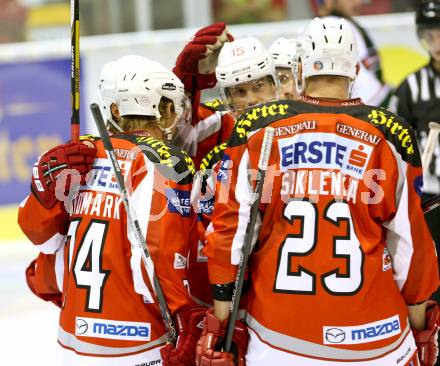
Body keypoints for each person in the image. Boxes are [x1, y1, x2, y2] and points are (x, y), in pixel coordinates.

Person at [196, 17, 440, 366]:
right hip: (374, 342)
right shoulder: (391, 135)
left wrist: (223, 327)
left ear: (299, 68)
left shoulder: (257, 128)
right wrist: (420, 331)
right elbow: (410, 248)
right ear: (356, 69)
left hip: (277, 340)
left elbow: (229, 236)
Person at [18, 58, 204, 366]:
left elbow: (42, 241)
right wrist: (182, 313)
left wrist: (42, 187)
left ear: (115, 110)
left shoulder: (77, 155)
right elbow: (154, 256)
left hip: (74, 339)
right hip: (140, 342)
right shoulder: (168, 162)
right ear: (166, 110)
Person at [388, 0, 440, 271]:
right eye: (430, 34)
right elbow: (391, 140)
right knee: (430, 268)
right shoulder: (410, 86)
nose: (437, 42)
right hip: (430, 196)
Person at [311, 0, 391, 107]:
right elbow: (369, 95)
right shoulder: (334, 27)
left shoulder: (344, 23)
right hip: (366, 113)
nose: (359, 2)